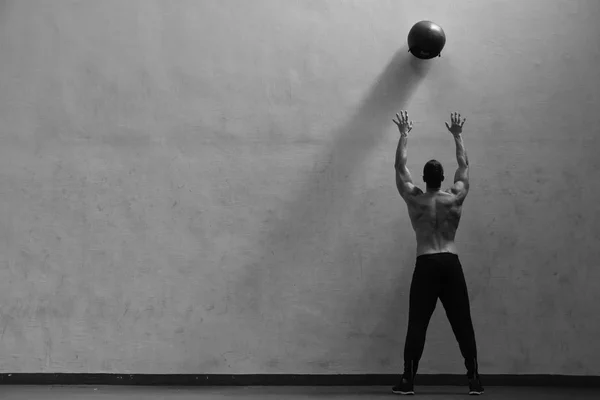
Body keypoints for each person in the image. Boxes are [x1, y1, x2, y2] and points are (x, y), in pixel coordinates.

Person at [390, 111, 484, 396]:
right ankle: (474, 380)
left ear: (423, 178)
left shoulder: (415, 199)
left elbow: (398, 166)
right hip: (450, 261)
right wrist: (457, 135)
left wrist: (404, 134)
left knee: (417, 322)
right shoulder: (454, 197)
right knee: (462, 322)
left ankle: (408, 381)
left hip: (426, 261)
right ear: (443, 177)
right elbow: (464, 165)